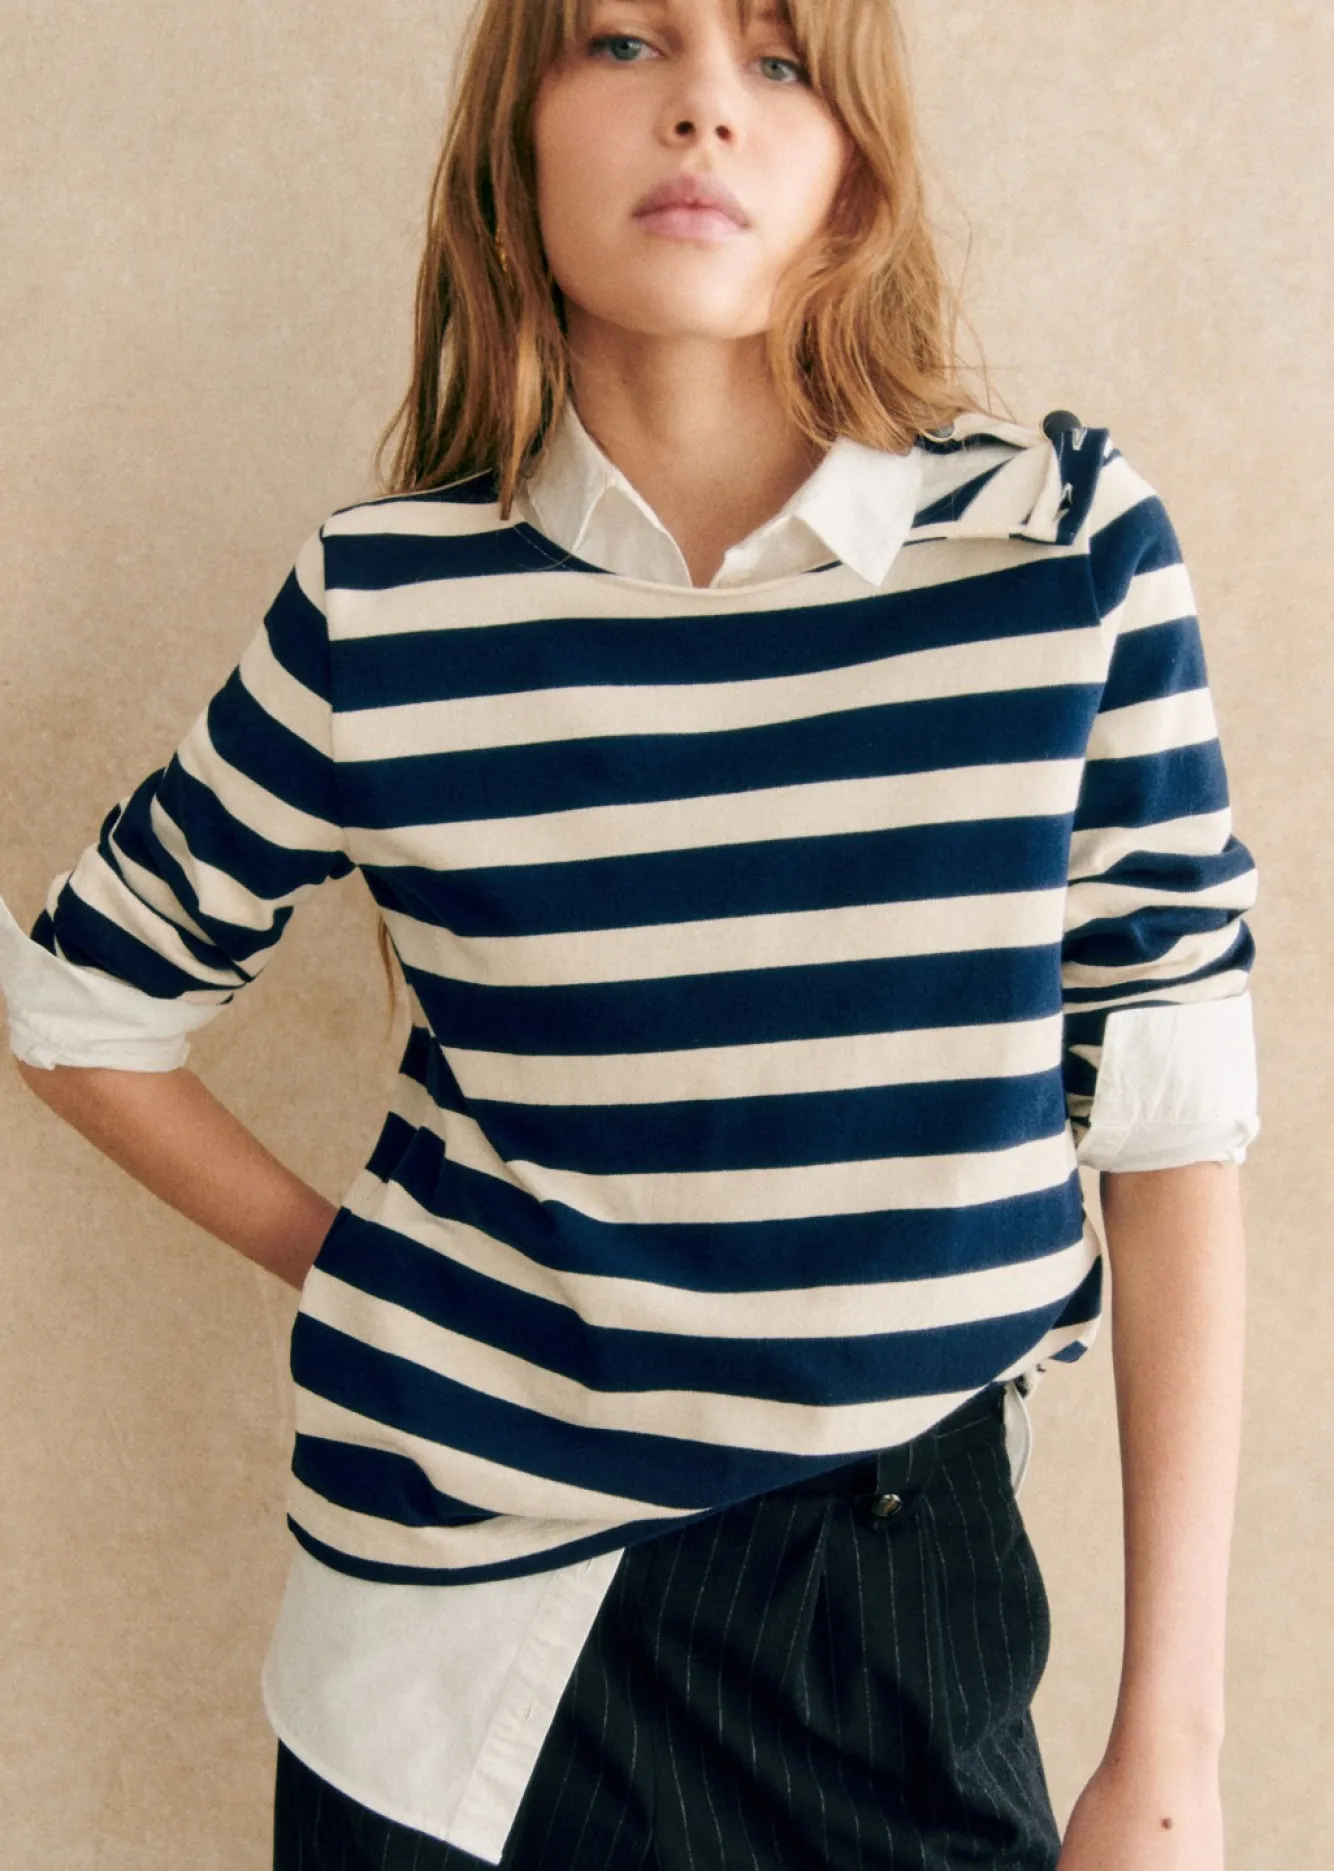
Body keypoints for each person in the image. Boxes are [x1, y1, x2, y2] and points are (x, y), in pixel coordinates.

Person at [0, 0, 1260, 1866]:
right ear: (513, 135)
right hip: (453, 1660)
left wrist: (1171, 1743)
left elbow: (1170, 1128)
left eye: (779, 60)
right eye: (620, 44)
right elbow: (79, 1000)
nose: (702, 111)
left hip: (894, 1609)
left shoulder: (1056, 551)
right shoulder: (387, 602)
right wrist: (360, 1269)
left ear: (854, 171)